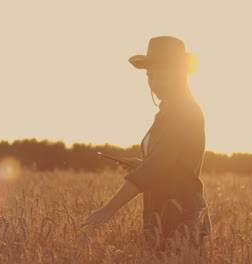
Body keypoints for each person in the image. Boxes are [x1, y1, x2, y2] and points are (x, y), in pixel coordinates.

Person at [80, 36, 211, 254]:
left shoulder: (185, 112)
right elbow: (167, 164)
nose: (153, 80)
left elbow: (156, 168)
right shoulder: (168, 112)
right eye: (150, 75)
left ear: (179, 75)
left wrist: (107, 210)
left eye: (162, 74)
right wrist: (142, 164)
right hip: (160, 216)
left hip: (182, 220)